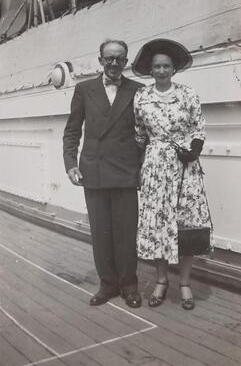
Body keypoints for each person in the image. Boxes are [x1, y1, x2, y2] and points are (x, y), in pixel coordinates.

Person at [132, 38, 212, 310]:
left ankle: (185, 283)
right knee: (158, 225)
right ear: (150, 69)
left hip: (184, 165)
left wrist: (194, 149)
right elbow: (139, 134)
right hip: (155, 166)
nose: (162, 70)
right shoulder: (142, 97)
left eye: (166, 66)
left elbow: (198, 126)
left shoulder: (188, 94)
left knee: (185, 224)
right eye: (157, 66)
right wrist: (140, 168)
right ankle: (161, 280)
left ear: (173, 69)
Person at [63, 39, 143, 308]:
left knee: (126, 232)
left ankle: (129, 285)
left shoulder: (139, 90)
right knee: (101, 232)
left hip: (125, 172)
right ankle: (107, 284)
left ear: (126, 61)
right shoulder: (84, 89)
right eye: (109, 58)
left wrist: (142, 169)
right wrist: (71, 164)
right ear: (100, 60)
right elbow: (73, 130)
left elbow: (146, 135)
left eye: (120, 59)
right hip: (94, 171)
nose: (114, 64)